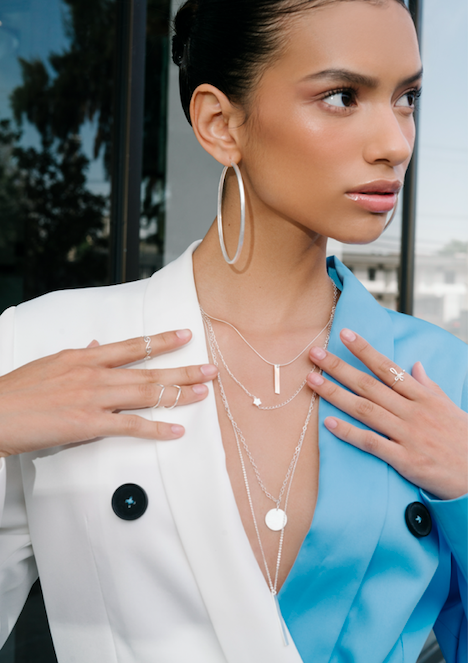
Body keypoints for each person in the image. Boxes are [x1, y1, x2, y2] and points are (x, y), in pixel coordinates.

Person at [0, 0, 466, 661]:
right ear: (220, 124)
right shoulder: (45, 344)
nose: (395, 142)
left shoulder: (443, 376)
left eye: (407, 99)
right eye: (342, 96)